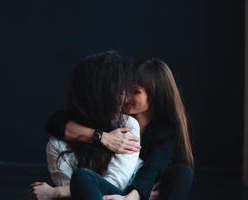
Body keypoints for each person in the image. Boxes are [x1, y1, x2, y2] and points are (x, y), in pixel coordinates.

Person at [43, 58, 195, 200]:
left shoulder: (165, 131)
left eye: (135, 92)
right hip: (108, 192)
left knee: (182, 173)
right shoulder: (116, 117)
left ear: (155, 97)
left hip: (139, 194)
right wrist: (101, 136)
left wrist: (132, 197)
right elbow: (54, 122)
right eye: (125, 89)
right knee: (83, 177)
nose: (125, 96)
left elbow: (153, 168)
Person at [28, 51, 141, 200]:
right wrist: (100, 137)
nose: (126, 99)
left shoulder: (127, 125)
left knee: (83, 177)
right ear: (101, 95)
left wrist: (57, 192)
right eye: (120, 91)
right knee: (83, 177)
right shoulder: (57, 145)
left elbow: (116, 183)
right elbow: (78, 196)